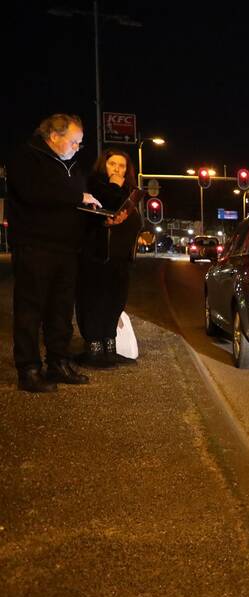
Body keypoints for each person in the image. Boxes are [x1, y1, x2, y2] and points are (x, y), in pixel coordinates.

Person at [6, 113, 102, 392]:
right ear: (54, 136)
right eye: (74, 142)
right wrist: (77, 197)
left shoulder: (70, 166)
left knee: (60, 311)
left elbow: (73, 199)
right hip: (35, 247)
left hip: (66, 249)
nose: (76, 148)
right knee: (30, 310)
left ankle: (58, 362)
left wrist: (95, 213)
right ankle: (29, 369)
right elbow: (34, 193)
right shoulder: (27, 158)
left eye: (80, 144)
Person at [76, 148, 143, 367]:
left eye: (122, 166)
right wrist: (115, 184)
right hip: (97, 256)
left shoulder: (128, 190)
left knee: (115, 300)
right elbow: (110, 204)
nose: (117, 169)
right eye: (112, 164)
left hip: (120, 258)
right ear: (103, 165)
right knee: (94, 299)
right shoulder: (94, 184)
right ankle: (94, 347)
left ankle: (109, 346)